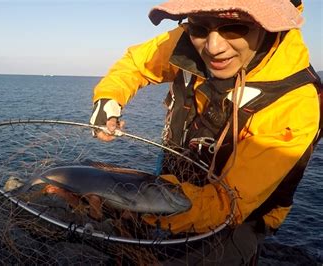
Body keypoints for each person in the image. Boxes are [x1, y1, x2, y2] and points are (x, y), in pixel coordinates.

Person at [89, 0, 322, 264]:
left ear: (270, 27)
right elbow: (137, 63)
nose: (214, 47)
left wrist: (133, 206)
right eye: (199, 27)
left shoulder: (295, 104)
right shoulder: (186, 39)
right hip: (171, 182)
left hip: (237, 217)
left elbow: (225, 206)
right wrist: (108, 99)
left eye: (235, 27)